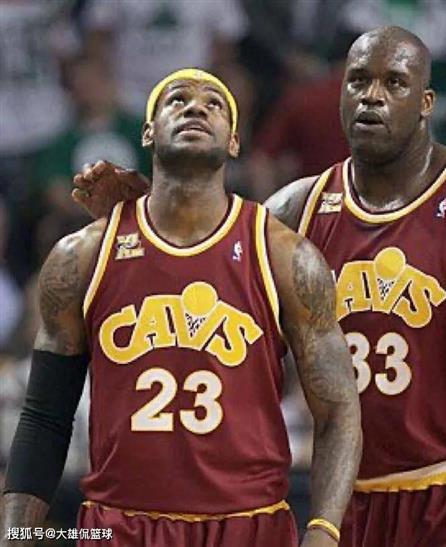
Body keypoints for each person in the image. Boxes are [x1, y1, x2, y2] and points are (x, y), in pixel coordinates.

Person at [69, 26, 446, 547]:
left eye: (394, 83)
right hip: (351, 502)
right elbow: (201, 280)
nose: (372, 96)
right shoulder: (296, 211)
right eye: (358, 81)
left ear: (427, 102)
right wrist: (140, 213)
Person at [0, 68, 362, 547]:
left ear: (235, 142)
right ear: (148, 132)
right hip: (119, 527)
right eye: (177, 100)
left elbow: (338, 410)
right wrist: (17, 533)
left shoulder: (283, 255)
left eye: (214, 104)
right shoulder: (82, 255)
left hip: (248, 525)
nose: (195, 107)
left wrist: (323, 531)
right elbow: (45, 415)